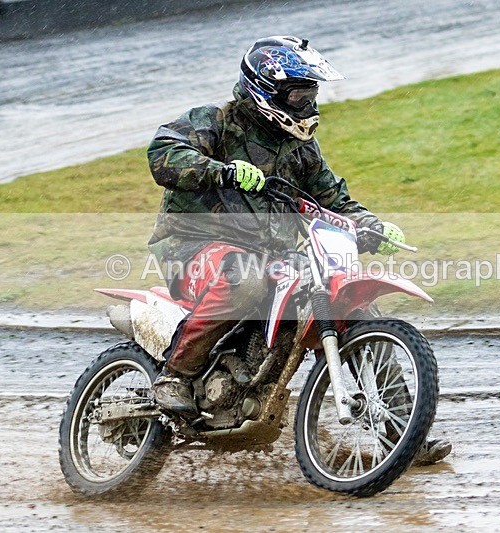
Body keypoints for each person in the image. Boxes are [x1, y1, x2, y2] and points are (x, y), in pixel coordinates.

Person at [146, 36, 450, 465]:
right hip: (192, 246)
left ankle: (401, 436)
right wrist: (224, 172)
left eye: (312, 94)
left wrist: (370, 225)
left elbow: (334, 198)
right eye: (299, 95)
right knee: (244, 276)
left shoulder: (300, 148)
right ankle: (174, 377)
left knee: (357, 313)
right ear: (266, 89)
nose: (308, 104)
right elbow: (162, 155)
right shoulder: (215, 122)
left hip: (275, 255)